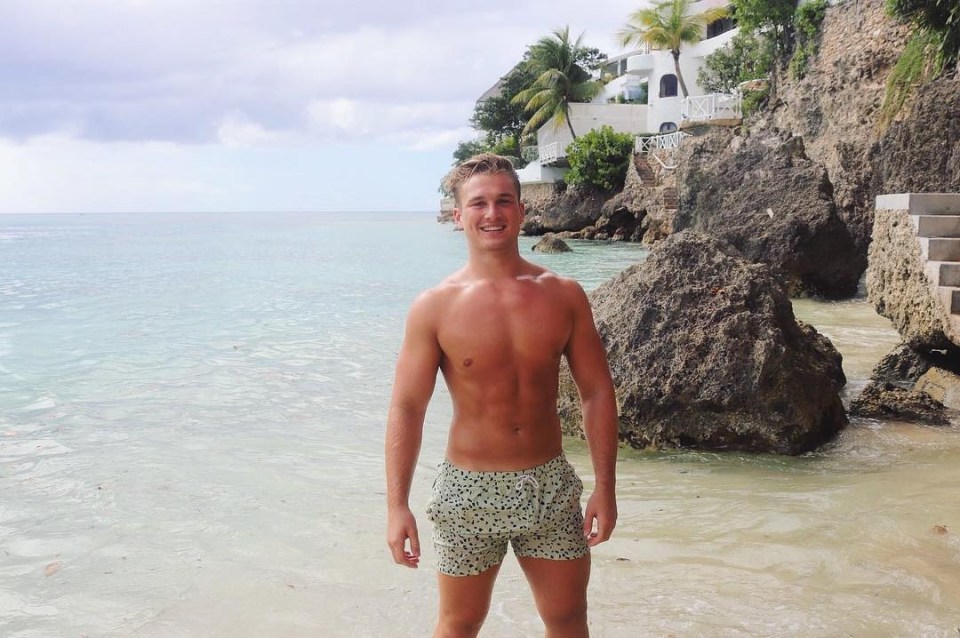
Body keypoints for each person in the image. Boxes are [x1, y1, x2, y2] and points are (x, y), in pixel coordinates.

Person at [385, 153, 618, 638]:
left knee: (568, 620)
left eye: (504, 201)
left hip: (548, 485)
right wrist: (397, 506)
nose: (492, 213)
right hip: (467, 492)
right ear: (458, 215)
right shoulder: (434, 307)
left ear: (522, 211)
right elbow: (408, 407)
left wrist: (605, 487)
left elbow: (596, 392)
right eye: (479, 203)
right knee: (459, 623)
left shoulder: (563, 294)